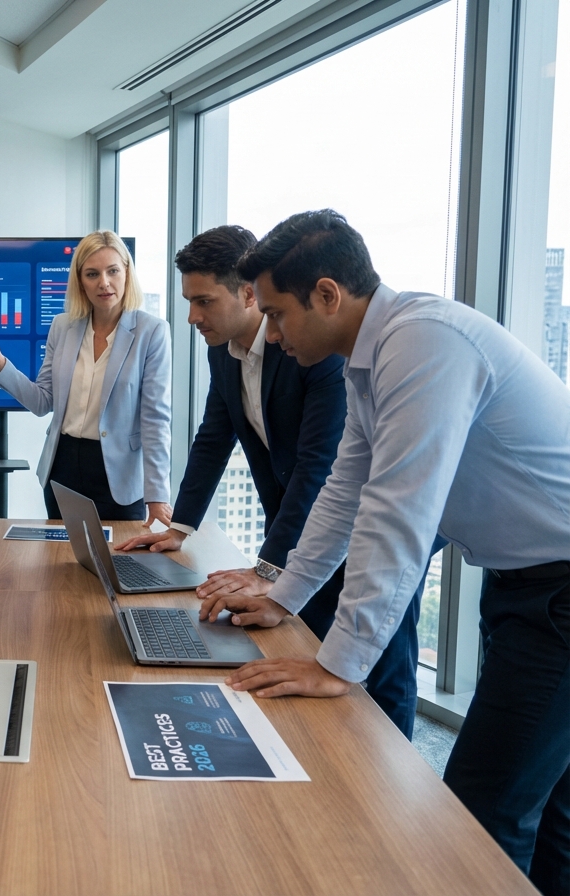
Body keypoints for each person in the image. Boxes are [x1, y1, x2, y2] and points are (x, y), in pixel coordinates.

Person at [198, 210, 570, 896]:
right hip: (525, 582)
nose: (272, 336)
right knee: (546, 812)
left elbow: (396, 513)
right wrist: (283, 594)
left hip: (559, 592)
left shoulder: (425, 344)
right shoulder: (369, 360)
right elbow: (345, 491)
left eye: (278, 315)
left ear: (329, 295)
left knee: (482, 813)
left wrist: (338, 665)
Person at [117, 224, 428, 737]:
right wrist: (182, 526)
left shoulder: (327, 351)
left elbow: (325, 470)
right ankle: (330, 758)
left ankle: (390, 772)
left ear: (247, 294)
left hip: (366, 531)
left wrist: (270, 568)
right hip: (313, 523)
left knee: (381, 664)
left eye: (203, 301)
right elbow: (215, 437)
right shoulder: (227, 351)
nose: (192, 317)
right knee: (312, 650)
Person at [0, 230, 172, 523]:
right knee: (63, 561)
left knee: (120, 564)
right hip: (64, 466)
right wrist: (2, 364)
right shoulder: (62, 326)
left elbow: (155, 420)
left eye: (113, 271)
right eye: (92, 274)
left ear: (127, 273)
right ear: (81, 281)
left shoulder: (152, 332)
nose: (104, 282)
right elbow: (43, 401)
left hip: (119, 475)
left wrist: (157, 496)